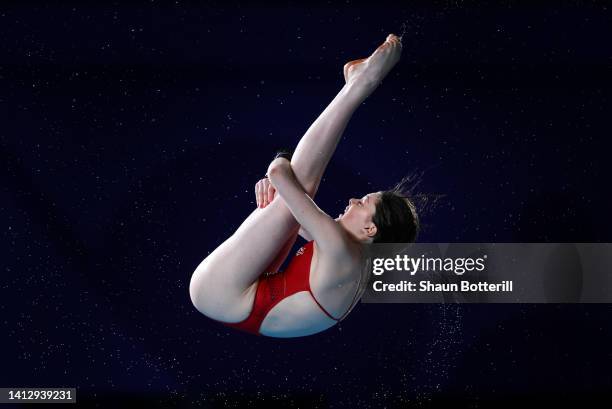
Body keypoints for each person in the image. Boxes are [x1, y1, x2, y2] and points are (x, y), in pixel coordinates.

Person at [189, 34, 419, 338]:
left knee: (302, 187)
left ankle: (358, 86)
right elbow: (291, 208)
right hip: (247, 300)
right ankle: (355, 85)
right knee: (295, 197)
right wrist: (280, 191)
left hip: (221, 293)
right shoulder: (353, 258)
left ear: (371, 229)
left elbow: (280, 175)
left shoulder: (340, 249)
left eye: (363, 203)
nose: (352, 200)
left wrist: (279, 162)